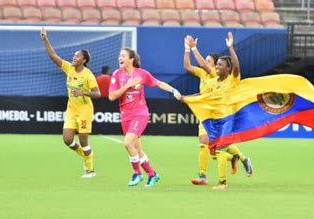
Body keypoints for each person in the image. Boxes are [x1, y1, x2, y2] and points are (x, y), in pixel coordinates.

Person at [183, 34, 253, 186]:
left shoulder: (218, 74)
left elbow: (231, 66)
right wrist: (187, 49)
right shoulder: (210, 79)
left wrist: (194, 47)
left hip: (222, 116)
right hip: (207, 114)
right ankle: (208, 174)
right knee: (208, 146)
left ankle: (225, 173)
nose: (210, 65)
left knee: (218, 148)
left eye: (211, 62)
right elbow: (188, 68)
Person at [108, 47, 181, 187]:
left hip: (140, 113)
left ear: (131, 59)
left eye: (123, 56)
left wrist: (173, 90)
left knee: (128, 142)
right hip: (125, 115)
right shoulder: (117, 74)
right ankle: (152, 174)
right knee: (137, 149)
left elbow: (158, 83)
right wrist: (127, 85)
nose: (120, 58)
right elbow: (111, 96)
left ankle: (137, 173)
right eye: (119, 56)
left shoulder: (141, 74)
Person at [40, 27, 101, 178]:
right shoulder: (69, 68)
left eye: (77, 56)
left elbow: (98, 93)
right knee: (67, 140)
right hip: (72, 110)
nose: (74, 58)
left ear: (84, 60)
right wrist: (45, 39)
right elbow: (53, 55)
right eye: (74, 56)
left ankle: (90, 170)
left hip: (85, 110)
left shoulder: (88, 75)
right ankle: (87, 155)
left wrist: (83, 92)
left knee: (83, 139)